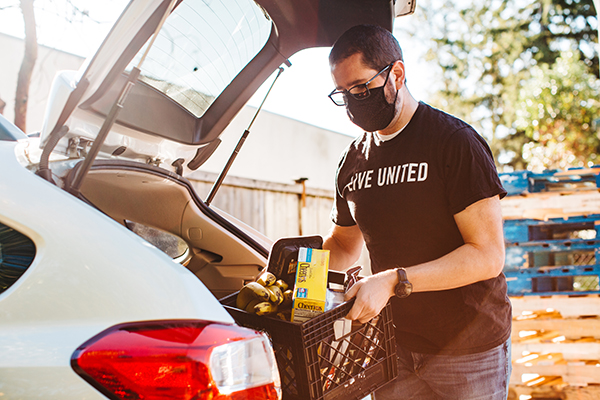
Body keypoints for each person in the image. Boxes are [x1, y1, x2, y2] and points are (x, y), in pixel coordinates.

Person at [322, 24, 512, 399]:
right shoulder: (352, 161)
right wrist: (293, 276)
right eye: (343, 94)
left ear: (397, 73)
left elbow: (488, 255)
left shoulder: (454, 143)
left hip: (468, 351)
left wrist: (393, 281)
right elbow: (344, 244)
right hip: (392, 349)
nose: (353, 102)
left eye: (361, 88)